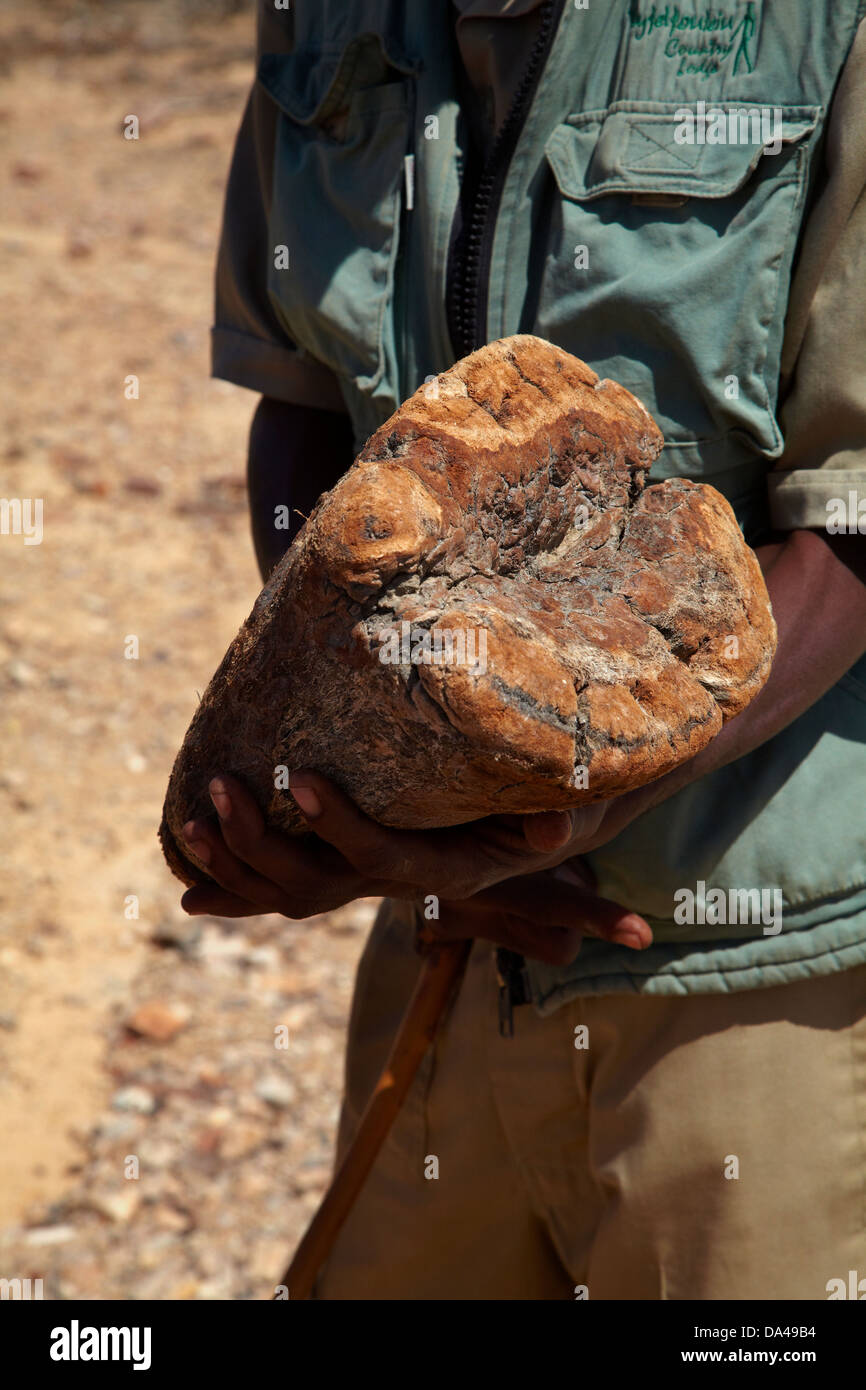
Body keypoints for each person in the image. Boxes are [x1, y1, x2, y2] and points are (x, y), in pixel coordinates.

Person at [180, 1, 866, 1299]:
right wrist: (369, 776)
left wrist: (545, 810)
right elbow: (303, 402)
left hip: (743, 967)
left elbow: (854, 519)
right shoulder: (320, 18)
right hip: (446, 932)